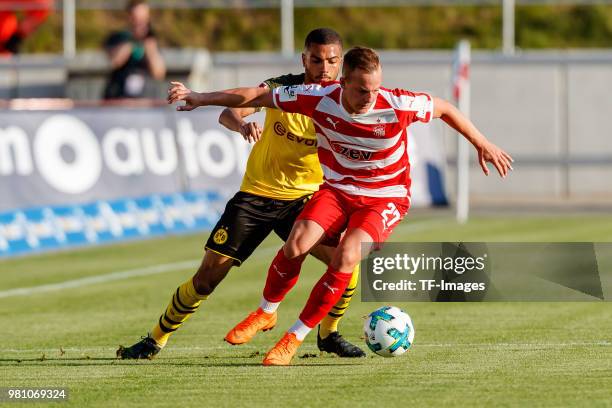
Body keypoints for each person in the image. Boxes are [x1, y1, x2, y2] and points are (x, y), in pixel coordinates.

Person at [167, 46, 514, 366]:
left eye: (375, 89)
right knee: (298, 241)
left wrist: (481, 143)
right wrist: (201, 98)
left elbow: (446, 108)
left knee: (348, 255)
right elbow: (255, 95)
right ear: (344, 82)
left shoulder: (397, 104)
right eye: (362, 90)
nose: (370, 97)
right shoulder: (317, 97)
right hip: (337, 190)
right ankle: (266, 311)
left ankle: (294, 337)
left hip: (384, 197)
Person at [117, 28, 366, 360]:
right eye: (317, 60)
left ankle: (328, 334)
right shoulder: (282, 88)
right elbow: (231, 111)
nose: (325, 68)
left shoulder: (344, 99)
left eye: (332, 61)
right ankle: (155, 339)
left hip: (307, 200)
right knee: (206, 280)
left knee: (347, 262)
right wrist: (242, 125)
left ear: (341, 63)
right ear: (303, 59)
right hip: (258, 195)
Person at [103, 0, 165, 99]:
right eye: (136, 18)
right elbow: (115, 61)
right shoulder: (119, 37)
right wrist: (132, 42)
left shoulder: (152, 40)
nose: (140, 22)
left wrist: (149, 48)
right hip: (119, 98)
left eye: (143, 18)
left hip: (145, 99)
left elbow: (159, 73)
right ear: (129, 17)